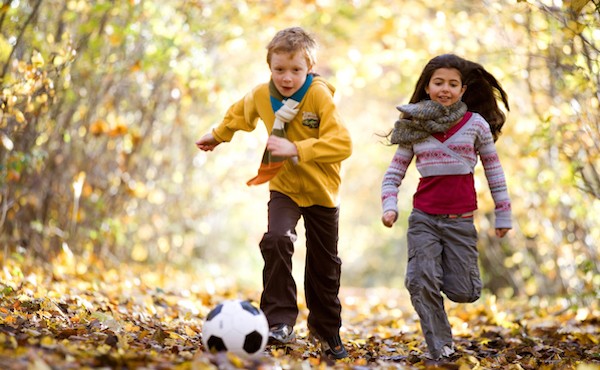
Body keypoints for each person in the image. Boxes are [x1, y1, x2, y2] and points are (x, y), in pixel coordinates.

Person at [196, 27, 352, 360]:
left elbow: (343, 144)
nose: (286, 77)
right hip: (284, 186)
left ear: (309, 68)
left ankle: (326, 331)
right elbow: (239, 114)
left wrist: (296, 148)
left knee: (324, 266)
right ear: (270, 67)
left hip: (323, 191)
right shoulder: (262, 95)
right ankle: (279, 321)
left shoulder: (319, 97)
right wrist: (217, 135)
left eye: (295, 70)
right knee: (277, 239)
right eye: (279, 69)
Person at [380, 54, 512, 360]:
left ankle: (445, 281)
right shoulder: (415, 127)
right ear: (427, 87)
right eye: (438, 82)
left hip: (461, 222)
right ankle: (442, 348)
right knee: (420, 281)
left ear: (463, 90)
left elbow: (494, 171)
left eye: (453, 84)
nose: (445, 89)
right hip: (424, 218)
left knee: (465, 292)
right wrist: (389, 205)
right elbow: (393, 174)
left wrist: (503, 214)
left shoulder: (475, 125)